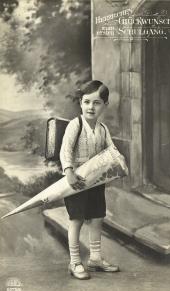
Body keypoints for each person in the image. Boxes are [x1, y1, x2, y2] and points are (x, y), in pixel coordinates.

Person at [60, 80, 119, 280]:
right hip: (76, 180)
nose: (91, 107)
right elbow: (65, 151)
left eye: (96, 103)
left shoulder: (102, 129)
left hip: (95, 181)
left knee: (97, 217)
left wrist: (117, 164)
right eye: (86, 102)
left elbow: (111, 151)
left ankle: (95, 258)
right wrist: (69, 172)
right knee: (76, 219)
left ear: (105, 105)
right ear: (80, 103)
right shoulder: (74, 125)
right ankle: (75, 261)